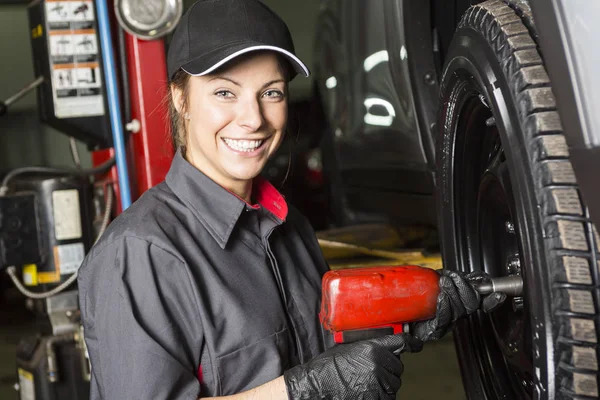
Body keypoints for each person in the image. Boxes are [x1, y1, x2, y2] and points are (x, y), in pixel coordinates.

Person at [77, 1, 506, 399]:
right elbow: (311, 379)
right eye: (225, 93)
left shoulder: (290, 227)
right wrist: (302, 391)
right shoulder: (139, 253)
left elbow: (314, 348)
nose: (254, 119)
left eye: (272, 92)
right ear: (181, 99)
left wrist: (411, 318)